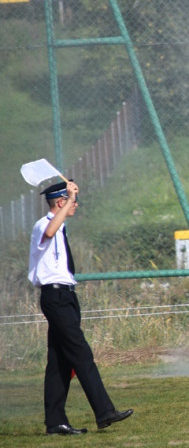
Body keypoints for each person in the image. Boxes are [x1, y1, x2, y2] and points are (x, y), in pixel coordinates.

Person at [28, 180, 133, 435]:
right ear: (61, 203)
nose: (77, 205)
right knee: (81, 354)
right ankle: (104, 411)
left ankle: (55, 423)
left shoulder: (60, 226)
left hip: (66, 297)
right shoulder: (45, 224)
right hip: (55, 298)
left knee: (60, 362)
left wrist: (71, 196)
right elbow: (50, 231)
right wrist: (69, 196)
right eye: (73, 201)